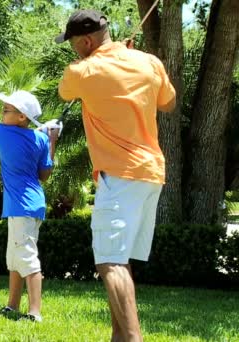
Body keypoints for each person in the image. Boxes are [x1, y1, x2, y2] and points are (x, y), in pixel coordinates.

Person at [56, 9, 176, 341]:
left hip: (119, 177)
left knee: (109, 263)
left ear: (86, 41)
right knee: (120, 261)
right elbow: (168, 102)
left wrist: (107, 62)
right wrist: (130, 58)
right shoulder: (148, 62)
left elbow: (64, 92)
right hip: (151, 173)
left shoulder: (82, 70)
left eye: (73, 44)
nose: (73, 50)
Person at [0, 90, 60, 322]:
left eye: (7, 109)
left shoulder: (0, 132)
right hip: (30, 204)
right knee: (14, 258)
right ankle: (12, 305)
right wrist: (51, 139)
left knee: (28, 258)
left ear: (22, 117)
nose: (2, 112)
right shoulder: (41, 140)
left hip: (22, 205)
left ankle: (34, 312)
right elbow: (44, 174)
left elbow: (21, 134)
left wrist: (43, 132)